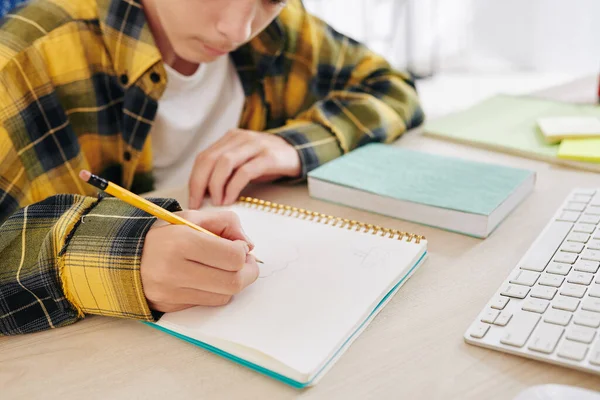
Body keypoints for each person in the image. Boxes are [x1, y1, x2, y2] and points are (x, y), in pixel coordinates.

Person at [0, 0, 424, 335]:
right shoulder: (25, 57)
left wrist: (292, 145)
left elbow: (393, 88)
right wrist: (114, 255)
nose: (237, 29)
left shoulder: (281, 28)